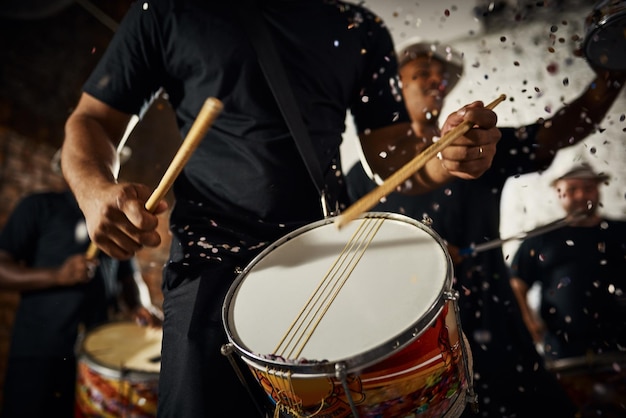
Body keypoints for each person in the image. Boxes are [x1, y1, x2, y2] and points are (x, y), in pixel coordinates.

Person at [59, 1, 501, 417]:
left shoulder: (361, 29)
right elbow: (92, 119)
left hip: (330, 263)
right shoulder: (170, 9)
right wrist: (94, 191)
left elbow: (392, 154)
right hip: (210, 262)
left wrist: (444, 157)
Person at [345, 39, 625, 417]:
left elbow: (556, 132)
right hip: (416, 350)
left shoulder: (474, 141)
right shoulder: (362, 178)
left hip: (499, 336)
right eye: (421, 73)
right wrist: (419, 261)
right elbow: (351, 269)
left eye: (441, 75)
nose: (435, 81)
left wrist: (612, 75)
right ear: (394, 87)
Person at [0, 155, 163, 418]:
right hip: (39, 353)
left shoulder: (114, 221)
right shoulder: (39, 206)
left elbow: (129, 276)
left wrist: (140, 305)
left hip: (95, 357)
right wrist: (57, 276)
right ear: (69, 168)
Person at [509, 162, 626, 361]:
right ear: (558, 191)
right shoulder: (542, 237)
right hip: (562, 349)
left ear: (598, 189)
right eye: (572, 189)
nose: (581, 195)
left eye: (588, 188)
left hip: (620, 347)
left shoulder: (620, 232)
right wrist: (528, 322)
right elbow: (516, 282)